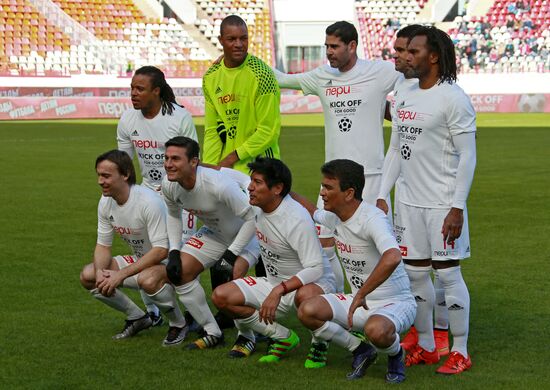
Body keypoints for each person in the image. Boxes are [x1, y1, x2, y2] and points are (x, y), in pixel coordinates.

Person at [273, 21, 401, 293]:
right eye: (326, 46)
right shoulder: (322, 77)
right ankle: (338, 301)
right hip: (332, 180)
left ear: (352, 46)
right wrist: (246, 60)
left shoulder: (379, 71)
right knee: (326, 242)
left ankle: (382, 301)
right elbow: (281, 79)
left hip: (372, 178)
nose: (329, 52)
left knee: (373, 246)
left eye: (334, 46)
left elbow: (412, 79)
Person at [377, 26, 476, 375]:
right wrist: (381, 195)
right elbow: (395, 150)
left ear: (433, 56)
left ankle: (460, 350)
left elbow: (468, 157)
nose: (406, 57)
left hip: (442, 204)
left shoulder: (453, 98)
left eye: (414, 52)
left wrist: (457, 207)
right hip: (409, 203)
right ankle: (428, 346)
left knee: (448, 276)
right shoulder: (404, 91)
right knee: (415, 276)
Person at [293, 159, 415, 383]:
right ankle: (360, 350)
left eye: (328, 188)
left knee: (376, 330)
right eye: (322, 186)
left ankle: (396, 354)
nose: (322, 193)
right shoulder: (333, 216)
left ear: (349, 193)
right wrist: (283, 187)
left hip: (394, 302)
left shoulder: (372, 219)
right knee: (307, 310)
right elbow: (311, 210)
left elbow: (393, 256)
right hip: (358, 302)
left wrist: (361, 293)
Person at [212, 157, 336, 364]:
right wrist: (194, 165)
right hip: (274, 282)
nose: (250, 188)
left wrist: (280, 290)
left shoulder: (296, 219)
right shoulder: (258, 200)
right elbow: (228, 173)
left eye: (257, 183)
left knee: (306, 296)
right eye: (252, 181)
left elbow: (315, 268)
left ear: (277, 188)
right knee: (221, 296)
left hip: (312, 284)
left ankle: (320, 343)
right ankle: (282, 337)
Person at [201, 14, 280, 321]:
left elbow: (268, 130)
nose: (239, 44)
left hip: (262, 168)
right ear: (220, 40)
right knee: (226, 232)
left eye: (243, 38)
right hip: (226, 172)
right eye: (232, 39)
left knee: (264, 240)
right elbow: (212, 128)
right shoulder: (211, 77)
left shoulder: (261, 73)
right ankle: (226, 310)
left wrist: (233, 157)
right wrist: (208, 169)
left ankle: (265, 310)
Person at [79, 150, 189, 346]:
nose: (100, 181)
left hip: (172, 263)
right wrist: (100, 273)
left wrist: (120, 275)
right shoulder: (105, 202)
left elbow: (161, 250)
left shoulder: (148, 202)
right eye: (98, 175)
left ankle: (179, 324)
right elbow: (103, 245)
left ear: (125, 174)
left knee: (148, 279)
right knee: (88, 275)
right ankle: (137, 317)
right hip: (142, 261)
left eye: (106, 176)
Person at [117, 66, 198, 325]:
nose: (133, 93)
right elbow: (123, 164)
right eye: (132, 88)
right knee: (146, 255)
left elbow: (192, 161)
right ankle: (154, 311)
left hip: (181, 195)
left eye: (140, 89)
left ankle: (193, 315)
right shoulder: (128, 119)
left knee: (181, 258)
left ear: (156, 91)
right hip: (147, 193)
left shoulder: (178, 117)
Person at [161, 136, 259, 349]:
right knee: (179, 273)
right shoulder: (169, 184)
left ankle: (248, 336)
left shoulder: (218, 184)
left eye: (176, 159)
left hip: (249, 235)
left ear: (194, 162)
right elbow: (173, 215)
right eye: (166, 158)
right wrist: (175, 251)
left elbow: (253, 218)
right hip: (214, 234)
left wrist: (231, 254)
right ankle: (213, 332)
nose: (168, 164)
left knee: (230, 275)